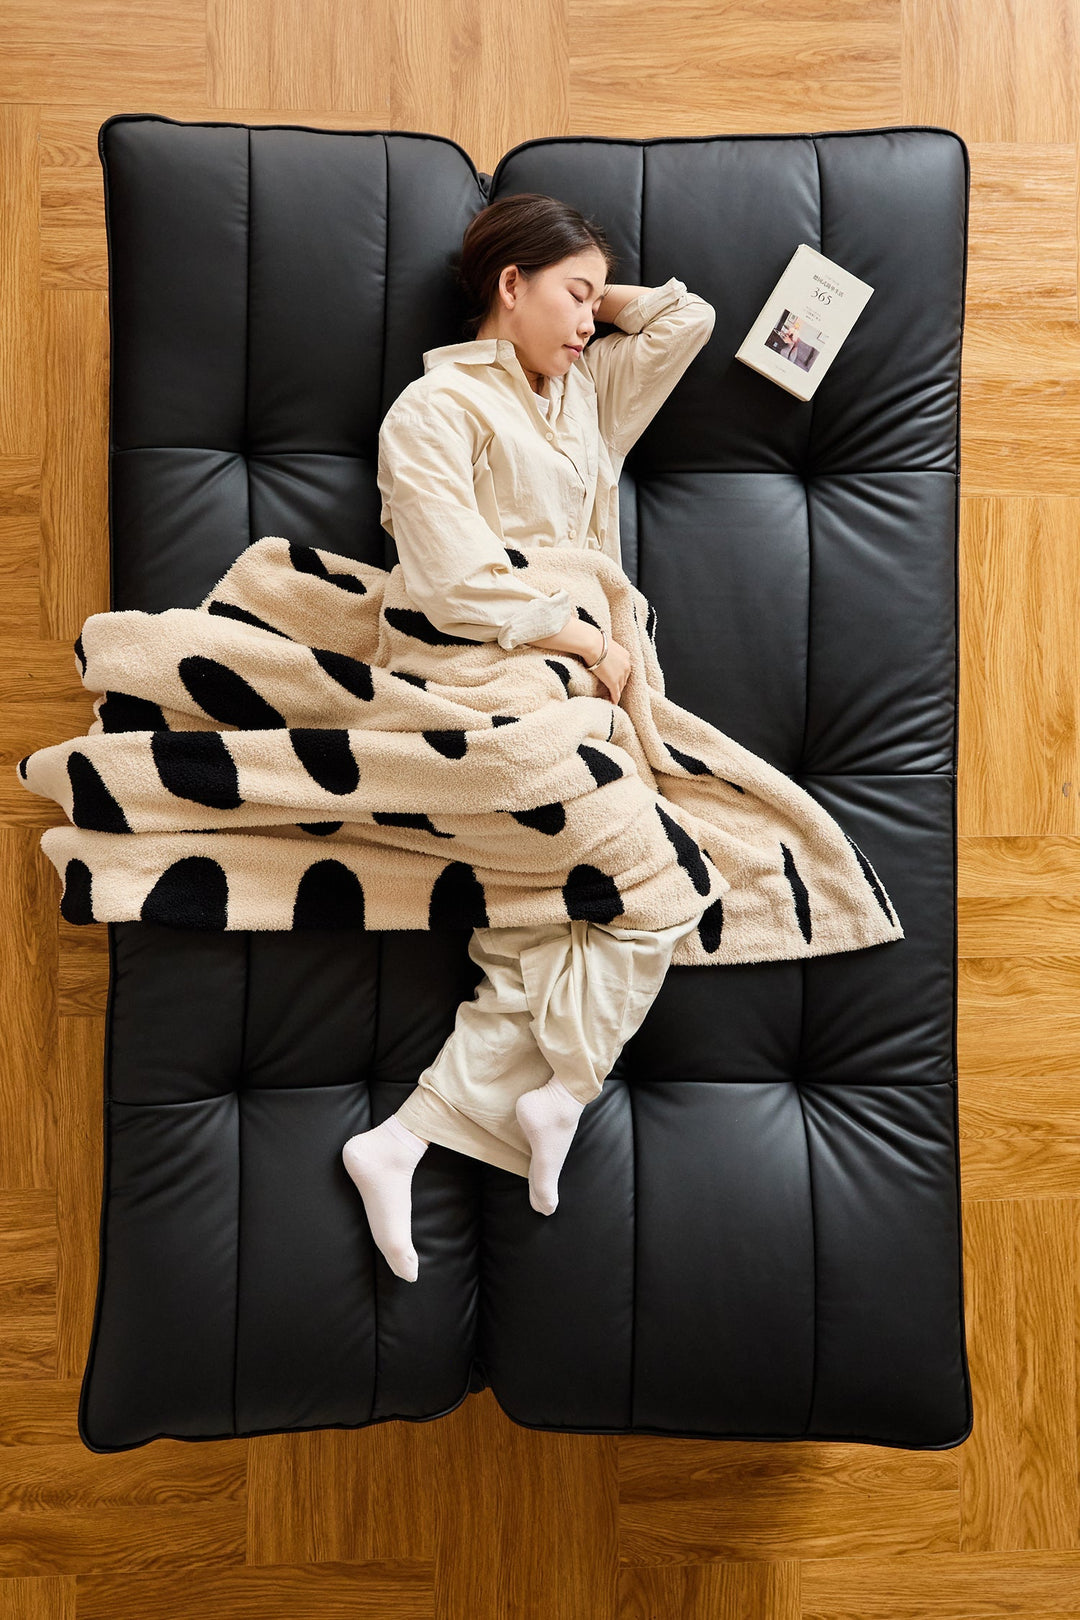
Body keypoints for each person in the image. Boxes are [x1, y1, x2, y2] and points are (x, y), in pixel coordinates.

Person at [341, 192, 716, 1282]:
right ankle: (561, 1089)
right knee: (659, 880)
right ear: (509, 288)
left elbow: (685, 323)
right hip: (473, 680)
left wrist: (597, 290)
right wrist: (587, 642)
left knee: (546, 923)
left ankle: (408, 1139)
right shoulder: (433, 409)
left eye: (598, 301)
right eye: (572, 295)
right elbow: (453, 581)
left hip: (574, 685)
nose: (592, 320)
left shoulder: (584, 398)